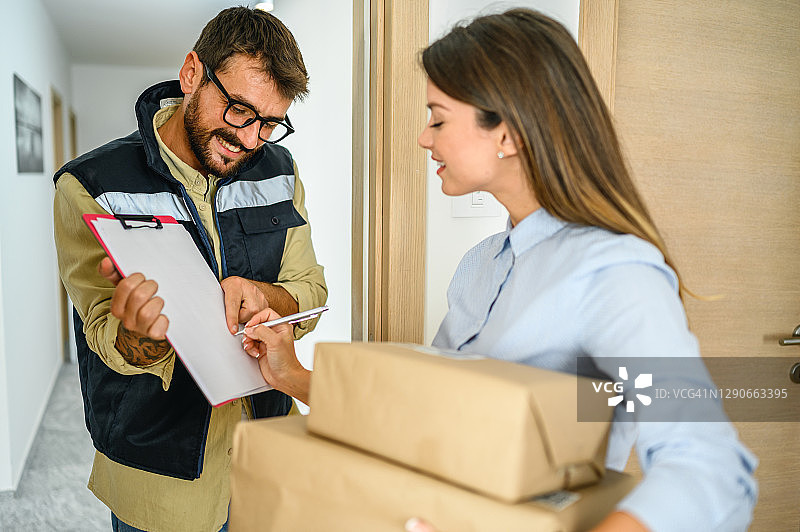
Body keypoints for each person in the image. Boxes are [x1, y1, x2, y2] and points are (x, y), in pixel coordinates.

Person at [240, 8, 757, 532]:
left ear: (506, 134)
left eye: (438, 118)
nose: (424, 137)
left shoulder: (614, 273)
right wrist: (294, 376)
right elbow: (422, 414)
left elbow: (711, 470)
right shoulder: (480, 266)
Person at [53, 7, 327, 532]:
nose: (251, 140)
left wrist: (269, 299)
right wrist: (143, 335)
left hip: (268, 458)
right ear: (192, 73)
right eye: (240, 111)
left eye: (270, 124)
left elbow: (309, 288)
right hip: (160, 477)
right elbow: (102, 333)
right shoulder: (90, 184)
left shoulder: (279, 170)